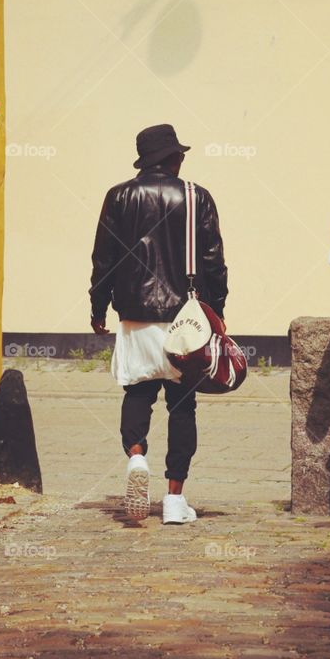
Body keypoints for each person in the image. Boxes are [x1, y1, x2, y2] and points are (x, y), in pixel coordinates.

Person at [90, 124, 228, 525]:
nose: (182, 158)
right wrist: (216, 313)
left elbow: (104, 259)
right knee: (183, 407)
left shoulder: (119, 196)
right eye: (178, 154)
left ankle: (136, 458)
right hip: (184, 319)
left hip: (134, 317)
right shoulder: (195, 196)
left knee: (137, 393)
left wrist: (98, 307)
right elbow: (213, 261)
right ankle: (173, 499)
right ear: (170, 159)